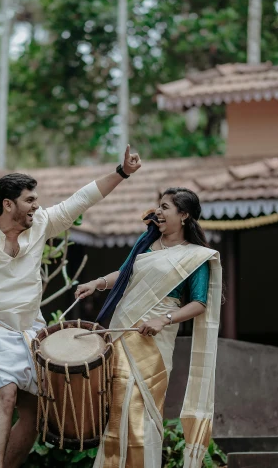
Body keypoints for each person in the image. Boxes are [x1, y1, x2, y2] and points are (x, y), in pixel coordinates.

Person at [0, 147, 142, 468]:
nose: (37, 206)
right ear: (8, 205)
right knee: (4, 396)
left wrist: (122, 172)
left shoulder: (41, 225)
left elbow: (82, 199)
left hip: (30, 332)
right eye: (30, 200)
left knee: (36, 412)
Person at [74, 187, 222, 468]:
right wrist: (96, 283)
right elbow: (126, 274)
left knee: (140, 412)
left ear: (184, 215)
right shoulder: (147, 245)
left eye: (166, 207)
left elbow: (199, 304)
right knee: (118, 410)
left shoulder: (196, 256)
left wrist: (163, 319)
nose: (159, 212)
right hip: (123, 333)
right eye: (159, 206)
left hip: (155, 338)